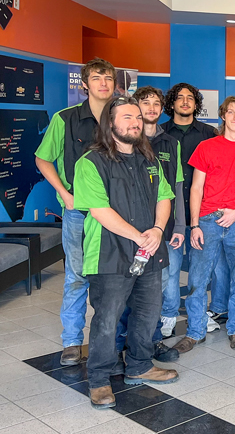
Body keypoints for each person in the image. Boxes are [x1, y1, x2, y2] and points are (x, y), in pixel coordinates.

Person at [72, 97, 179, 409]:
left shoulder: (150, 159)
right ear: (110, 124)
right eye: (128, 117)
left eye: (137, 117)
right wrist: (140, 237)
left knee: (147, 313)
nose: (136, 122)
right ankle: (100, 379)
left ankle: (139, 365)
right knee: (107, 318)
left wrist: (158, 230)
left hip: (150, 250)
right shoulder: (90, 162)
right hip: (109, 253)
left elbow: (165, 197)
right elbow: (100, 210)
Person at [35, 57, 116, 366]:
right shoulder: (64, 119)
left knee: (114, 279)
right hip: (78, 213)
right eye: (97, 78)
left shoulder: (122, 118)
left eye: (108, 78)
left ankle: (113, 340)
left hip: (116, 215)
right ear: (85, 84)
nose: (103, 83)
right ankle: (71, 341)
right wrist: (65, 194)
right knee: (77, 277)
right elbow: (43, 159)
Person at [174, 96, 235, 353]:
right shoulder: (206, 147)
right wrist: (194, 225)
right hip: (207, 220)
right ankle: (194, 332)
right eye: (231, 112)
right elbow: (195, 188)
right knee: (198, 278)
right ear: (223, 116)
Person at [114, 87, 182, 363]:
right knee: (122, 291)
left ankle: (151, 341)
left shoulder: (167, 145)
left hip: (157, 229)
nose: (151, 108)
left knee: (153, 289)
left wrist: (173, 227)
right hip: (122, 231)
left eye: (157, 104)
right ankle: (120, 344)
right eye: (145, 104)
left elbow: (173, 189)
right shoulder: (116, 146)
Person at [161, 83, 219, 332]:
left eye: (190, 98)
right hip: (169, 213)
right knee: (171, 270)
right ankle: (168, 314)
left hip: (201, 212)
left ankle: (199, 313)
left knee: (200, 271)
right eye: (180, 98)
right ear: (171, 103)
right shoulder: (160, 133)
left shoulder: (210, 134)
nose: (185, 102)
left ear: (197, 104)